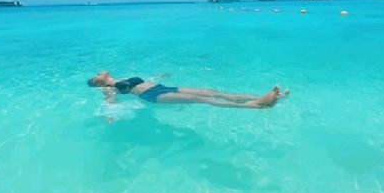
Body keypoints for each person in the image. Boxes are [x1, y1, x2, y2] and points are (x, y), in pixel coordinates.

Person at [87, 71, 289, 108]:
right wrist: (110, 115)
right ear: (99, 82)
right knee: (200, 99)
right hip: (152, 95)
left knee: (210, 91)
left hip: (160, 86)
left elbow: (144, 80)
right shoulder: (108, 88)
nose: (99, 72)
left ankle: (267, 97)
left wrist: (159, 77)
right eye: (96, 75)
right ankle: (256, 105)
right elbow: (110, 102)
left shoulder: (123, 77)